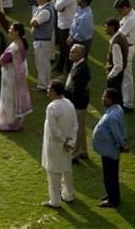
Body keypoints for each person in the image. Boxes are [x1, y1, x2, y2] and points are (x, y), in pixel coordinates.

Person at [41, 80, 78, 209]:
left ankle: (54, 201)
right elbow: (74, 125)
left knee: (53, 172)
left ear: (53, 91)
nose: (47, 90)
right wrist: (71, 141)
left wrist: (64, 141)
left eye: (49, 88)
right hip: (66, 143)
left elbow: (53, 128)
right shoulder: (69, 104)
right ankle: (68, 195)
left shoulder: (52, 107)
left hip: (55, 144)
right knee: (66, 169)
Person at [92, 88, 128, 208]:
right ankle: (112, 195)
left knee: (110, 176)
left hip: (110, 150)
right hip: (108, 149)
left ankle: (113, 200)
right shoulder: (116, 109)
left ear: (111, 100)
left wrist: (122, 145)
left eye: (104, 97)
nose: (102, 99)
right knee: (110, 174)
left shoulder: (112, 116)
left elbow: (117, 135)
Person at [0, 22, 32, 132]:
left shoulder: (13, 47)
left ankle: (10, 123)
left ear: (16, 32)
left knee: (9, 98)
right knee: (18, 97)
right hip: (20, 74)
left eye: (12, 28)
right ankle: (18, 121)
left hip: (10, 75)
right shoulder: (23, 43)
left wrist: (2, 62)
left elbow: (2, 61)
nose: (9, 29)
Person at [64, 43, 91, 162]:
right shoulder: (76, 64)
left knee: (77, 129)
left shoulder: (82, 69)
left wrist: (67, 99)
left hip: (78, 103)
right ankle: (83, 151)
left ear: (80, 54)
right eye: (70, 51)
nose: (70, 53)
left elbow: (77, 90)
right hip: (77, 102)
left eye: (73, 52)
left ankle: (75, 154)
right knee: (80, 128)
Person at [114, 0, 135, 112]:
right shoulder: (129, 15)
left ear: (125, 8)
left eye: (120, 10)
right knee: (124, 76)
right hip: (126, 47)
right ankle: (125, 100)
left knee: (127, 77)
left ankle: (128, 104)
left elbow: (120, 34)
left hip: (127, 49)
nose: (120, 13)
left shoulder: (131, 19)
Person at [29, 0, 55, 92]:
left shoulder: (45, 11)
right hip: (42, 40)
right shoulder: (45, 8)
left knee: (42, 63)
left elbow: (34, 23)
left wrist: (32, 19)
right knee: (43, 63)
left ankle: (43, 85)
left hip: (42, 41)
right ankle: (44, 82)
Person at [103, 18, 128, 97]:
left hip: (115, 76)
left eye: (106, 26)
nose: (105, 28)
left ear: (112, 28)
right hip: (118, 74)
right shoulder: (121, 36)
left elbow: (118, 66)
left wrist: (110, 76)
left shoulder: (116, 44)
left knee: (113, 97)